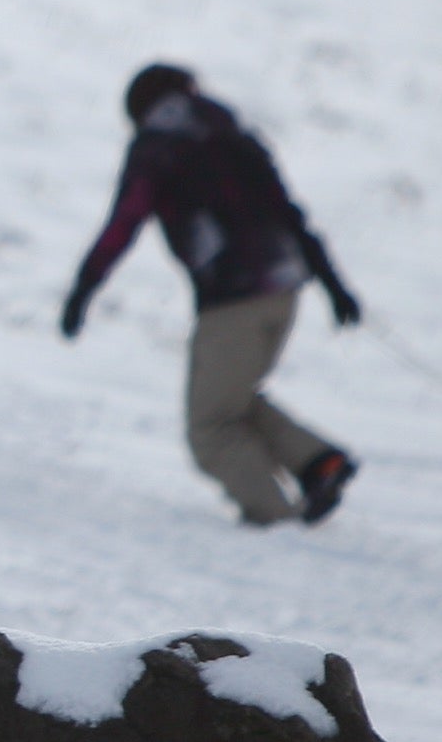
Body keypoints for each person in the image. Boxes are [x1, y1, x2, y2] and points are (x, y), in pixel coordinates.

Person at [60, 64, 365, 525]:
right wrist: (333, 285)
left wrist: (84, 288)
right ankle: (316, 462)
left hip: (233, 299)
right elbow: (289, 212)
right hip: (284, 291)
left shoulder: (157, 147)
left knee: (211, 428)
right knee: (231, 400)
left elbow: (125, 221)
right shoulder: (236, 135)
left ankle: (275, 518)